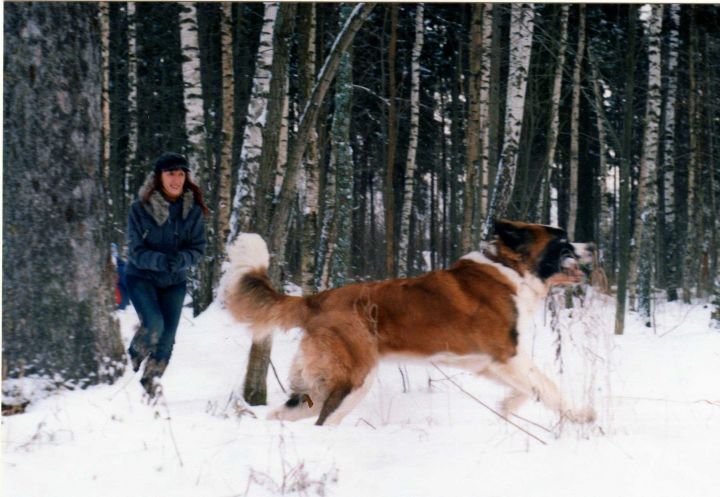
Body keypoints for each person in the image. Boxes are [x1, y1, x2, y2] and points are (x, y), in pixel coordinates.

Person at [125, 152, 208, 398]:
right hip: (142, 277)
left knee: (167, 338)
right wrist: (162, 260)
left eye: (181, 174)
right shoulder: (139, 208)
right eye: (170, 173)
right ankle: (127, 366)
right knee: (154, 324)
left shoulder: (193, 210)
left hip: (174, 281)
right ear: (159, 177)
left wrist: (181, 259)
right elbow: (135, 251)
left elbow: (198, 248)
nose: (176, 179)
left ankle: (149, 384)